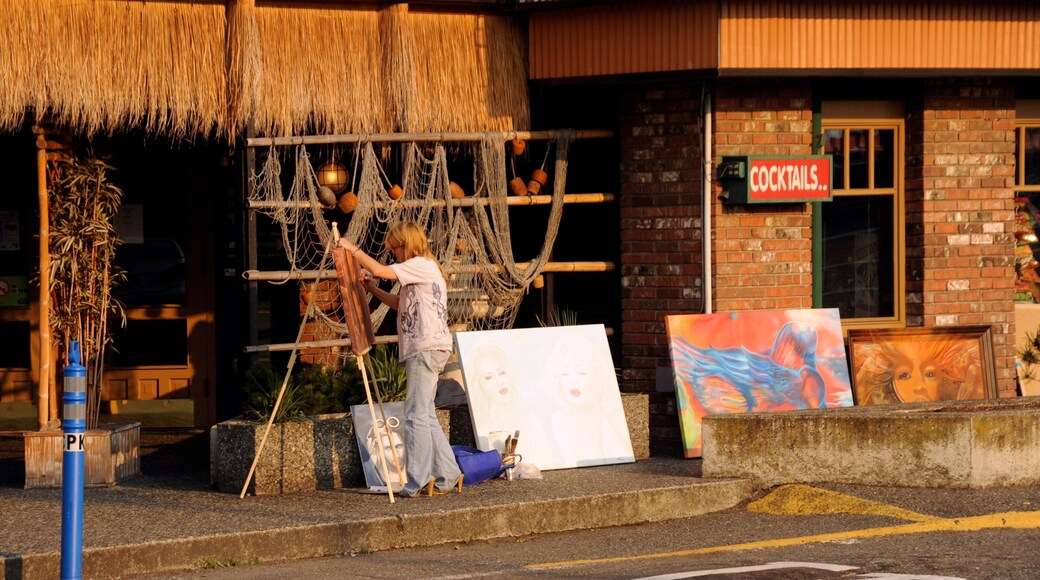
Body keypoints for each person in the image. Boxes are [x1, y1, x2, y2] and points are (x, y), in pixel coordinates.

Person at [339, 221, 463, 497]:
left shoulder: (420, 263)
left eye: (394, 247)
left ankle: (416, 480)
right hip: (433, 346)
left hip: (425, 347)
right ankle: (449, 473)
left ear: (405, 244)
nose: (393, 252)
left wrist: (352, 248)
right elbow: (400, 303)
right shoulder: (423, 268)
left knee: (414, 415)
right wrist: (372, 290)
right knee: (426, 414)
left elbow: (380, 270)